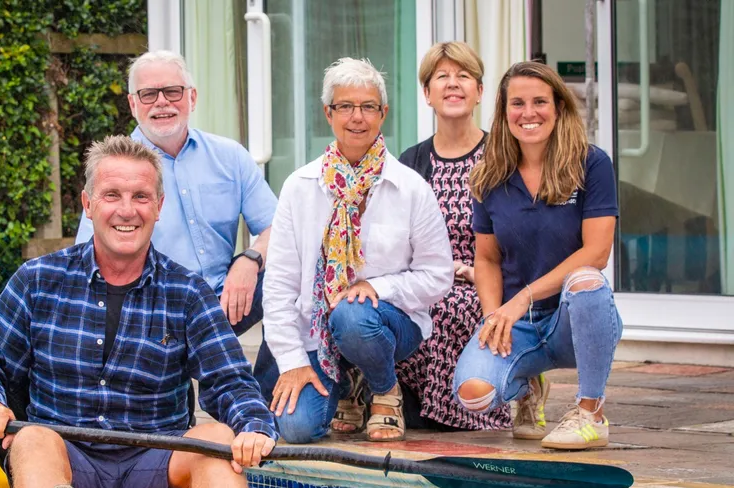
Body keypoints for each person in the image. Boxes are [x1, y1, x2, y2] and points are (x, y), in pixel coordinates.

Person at [0, 135, 278, 488]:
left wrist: (255, 428)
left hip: (157, 462)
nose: (127, 211)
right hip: (66, 460)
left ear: (159, 207)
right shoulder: (37, 280)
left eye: (141, 197)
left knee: (219, 439)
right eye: (112, 195)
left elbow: (231, 382)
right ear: (88, 205)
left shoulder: (188, 293)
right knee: (32, 438)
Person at [262, 58, 454, 444]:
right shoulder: (299, 187)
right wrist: (294, 362)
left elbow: (438, 275)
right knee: (297, 429)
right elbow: (279, 285)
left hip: (387, 325)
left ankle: (384, 388)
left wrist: (379, 288)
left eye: (368, 106)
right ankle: (350, 386)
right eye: (345, 106)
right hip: (317, 332)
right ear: (327, 114)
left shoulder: (410, 187)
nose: (357, 117)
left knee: (352, 315)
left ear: (383, 114)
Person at [75, 50, 278, 402]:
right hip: (153, 308)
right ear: (132, 104)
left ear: (192, 97)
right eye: (148, 94)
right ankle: (170, 391)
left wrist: (250, 259)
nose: (162, 103)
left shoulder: (230, 157)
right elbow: (89, 256)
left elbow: (280, 229)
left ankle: (265, 397)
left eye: (172, 91)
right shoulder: (117, 167)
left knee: (287, 278)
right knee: (170, 422)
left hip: (223, 299)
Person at [453, 61, 622, 450]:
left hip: (571, 318)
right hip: (521, 325)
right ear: (504, 111)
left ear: (559, 107)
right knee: (473, 394)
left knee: (586, 281)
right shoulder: (488, 175)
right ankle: (528, 386)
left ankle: (591, 412)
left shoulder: (591, 163)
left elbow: (596, 252)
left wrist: (522, 298)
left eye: (540, 102)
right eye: (517, 103)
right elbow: (487, 259)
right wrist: (494, 316)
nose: (528, 113)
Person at [395, 42, 513, 433]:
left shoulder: (504, 154)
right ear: (427, 94)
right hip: (426, 279)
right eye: (441, 77)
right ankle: (406, 404)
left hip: (490, 282)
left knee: (446, 310)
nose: (453, 84)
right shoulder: (411, 162)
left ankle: (460, 417)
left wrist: (466, 270)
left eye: (463, 76)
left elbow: (517, 234)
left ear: (480, 91)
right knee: (393, 313)